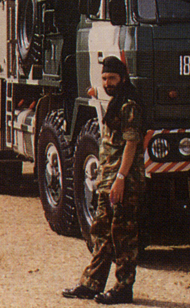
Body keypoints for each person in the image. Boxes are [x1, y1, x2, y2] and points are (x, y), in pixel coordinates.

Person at [63, 56, 145, 305]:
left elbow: (131, 144)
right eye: (105, 79)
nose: (108, 83)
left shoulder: (129, 104)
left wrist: (120, 178)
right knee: (100, 232)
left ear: (122, 78)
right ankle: (92, 283)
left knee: (123, 236)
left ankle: (123, 288)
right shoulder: (115, 102)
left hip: (124, 182)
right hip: (108, 181)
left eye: (112, 78)